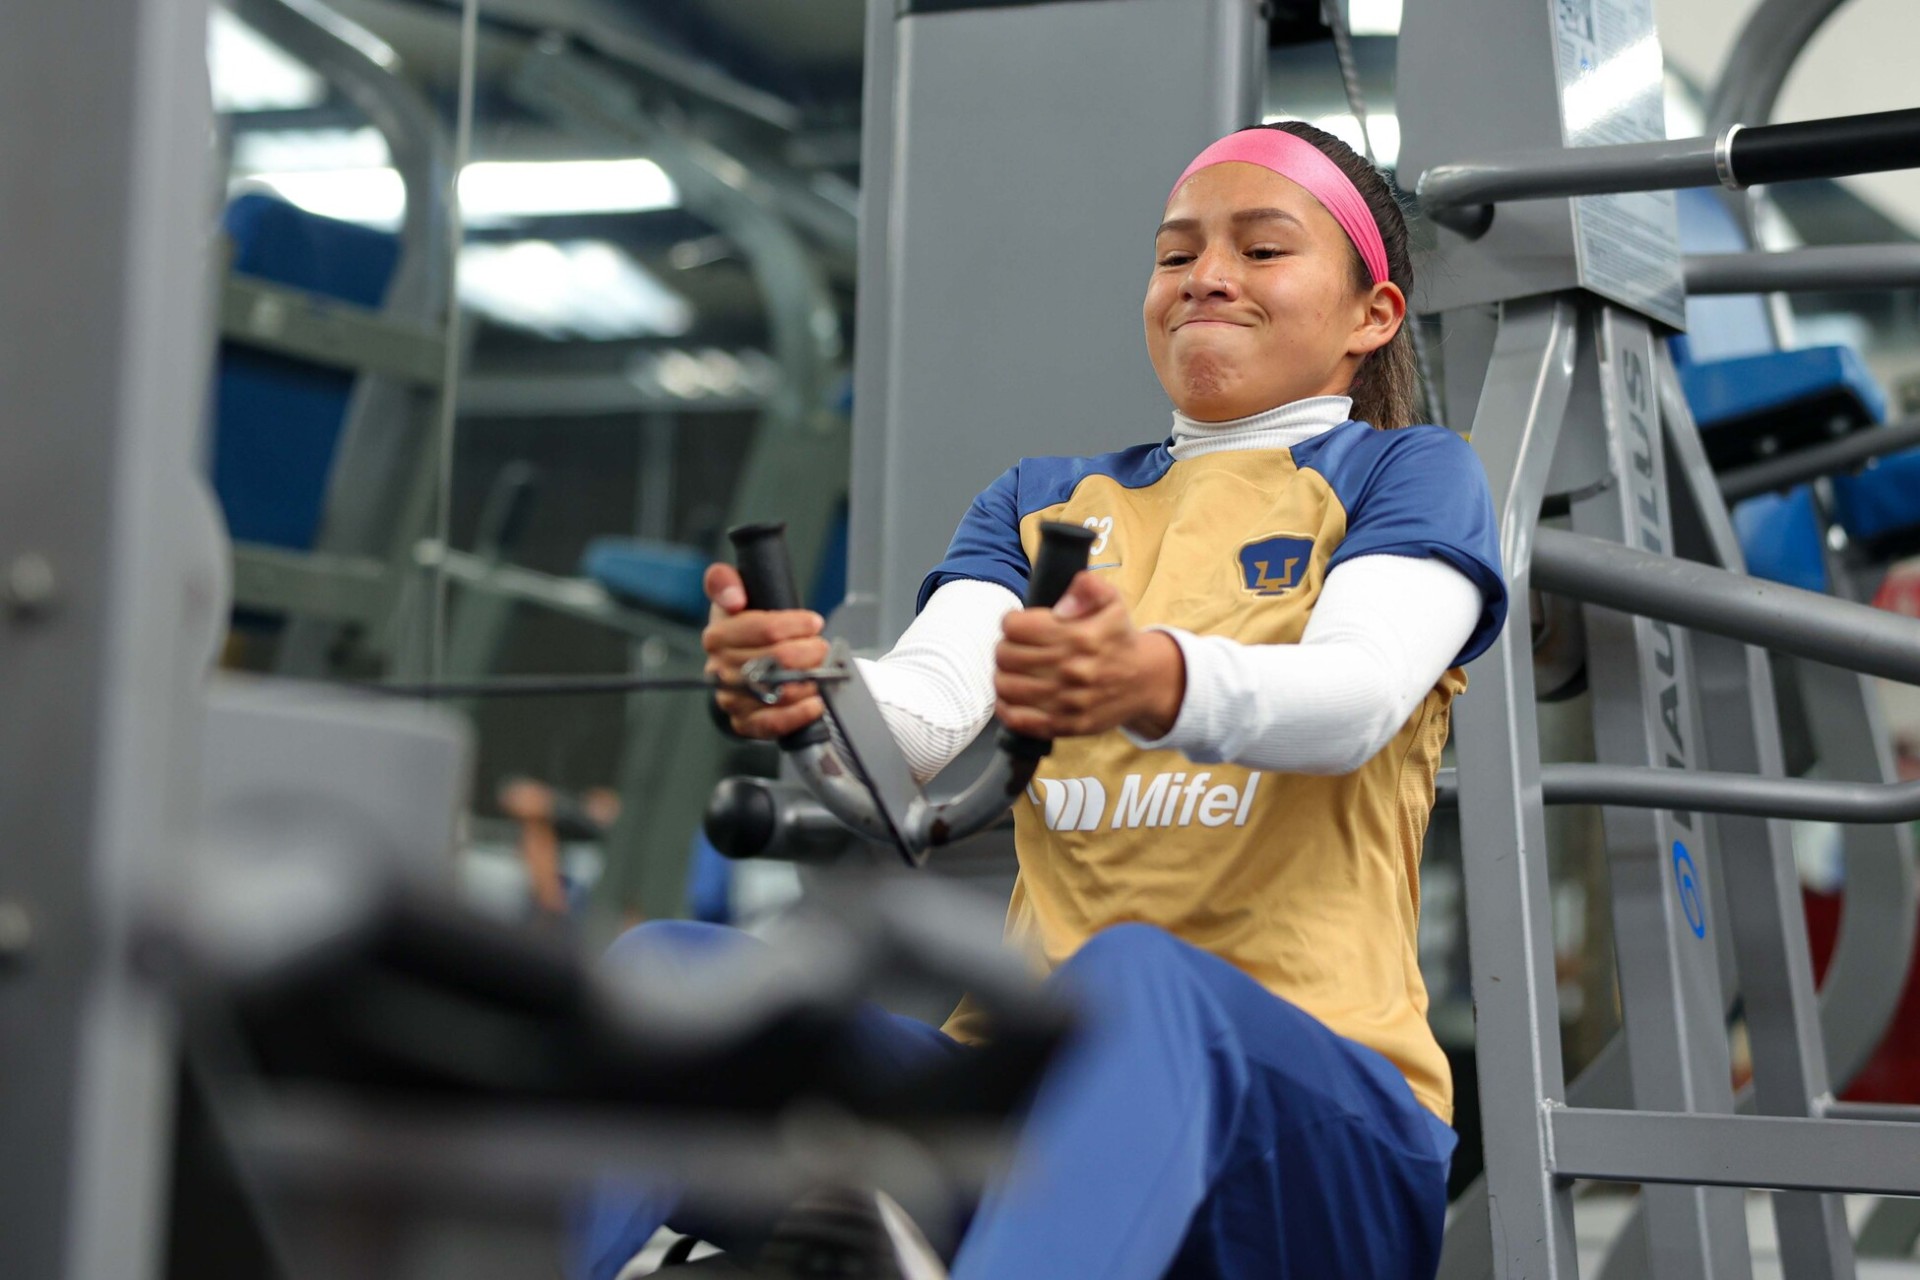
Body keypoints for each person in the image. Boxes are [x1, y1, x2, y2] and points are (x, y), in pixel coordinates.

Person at [583, 121, 1506, 1280]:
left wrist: (1155, 677)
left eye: (1262, 249)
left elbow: (1356, 694)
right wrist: (807, 689)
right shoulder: (1044, 500)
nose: (1207, 275)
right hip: (1029, 1105)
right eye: (1176, 255)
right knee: (666, 975)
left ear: (1373, 315)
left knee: (1131, 979)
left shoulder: (1410, 472)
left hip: (1321, 1125)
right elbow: (923, 719)